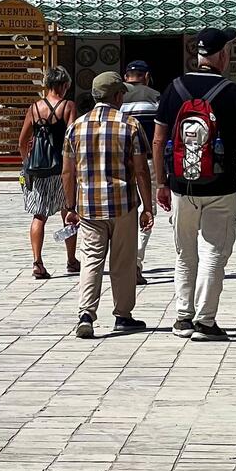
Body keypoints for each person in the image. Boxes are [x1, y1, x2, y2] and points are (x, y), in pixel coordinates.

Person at [153, 28, 236, 342]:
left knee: (184, 254)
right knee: (214, 253)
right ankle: (205, 321)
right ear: (223, 55)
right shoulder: (232, 92)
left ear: (196, 54)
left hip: (181, 186)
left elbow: (158, 141)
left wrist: (161, 182)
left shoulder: (174, 88)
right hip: (222, 187)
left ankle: (182, 317)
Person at [63, 71, 153, 339]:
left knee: (91, 258)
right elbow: (141, 170)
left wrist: (69, 205)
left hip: (89, 205)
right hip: (123, 203)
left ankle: (86, 314)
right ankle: (123, 315)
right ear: (116, 96)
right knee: (123, 261)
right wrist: (147, 206)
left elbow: (67, 172)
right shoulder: (130, 125)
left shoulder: (76, 127)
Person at [18, 67, 79, 279]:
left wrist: (27, 163)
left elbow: (22, 141)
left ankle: (37, 262)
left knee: (39, 215)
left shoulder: (34, 108)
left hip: (39, 169)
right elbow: (72, 139)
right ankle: (71, 260)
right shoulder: (68, 106)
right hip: (62, 168)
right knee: (68, 212)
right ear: (64, 85)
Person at [120, 60, 162, 286]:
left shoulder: (116, 97)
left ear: (126, 77)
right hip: (148, 162)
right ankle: (136, 261)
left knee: (123, 212)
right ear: (146, 77)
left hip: (121, 162)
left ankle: (122, 262)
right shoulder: (156, 97)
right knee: (148, 210)